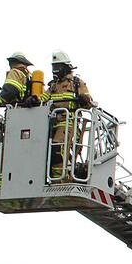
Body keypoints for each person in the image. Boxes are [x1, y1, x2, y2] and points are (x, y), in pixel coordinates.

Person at [42, 50, 93, 181]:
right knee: (44, 151)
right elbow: (42, 99)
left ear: (65, 67)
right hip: (51, 123)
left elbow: (89, 101)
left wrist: (84, 99)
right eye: (53, 67)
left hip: (69, 123)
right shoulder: (53, 86)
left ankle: (60, 181)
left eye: (57, 67)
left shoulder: (76, 83)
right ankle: (53, 178)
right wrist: (33, 99)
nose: (55, 70)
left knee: (58, 150)